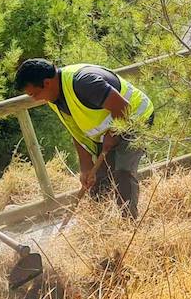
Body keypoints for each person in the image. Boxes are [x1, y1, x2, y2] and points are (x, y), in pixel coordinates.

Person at [13, 59, 154, 220]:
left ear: (46, 83)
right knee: (98, 180)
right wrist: (86, 167)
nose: (35, 99)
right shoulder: (54, 98)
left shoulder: (84, 83)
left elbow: (123, 108)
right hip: (110, 129)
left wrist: (114, 133)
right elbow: (77, 132)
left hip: (135, 118)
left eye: (34, 94)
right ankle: (101, 223)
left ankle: (128, 224)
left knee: (122, 171)